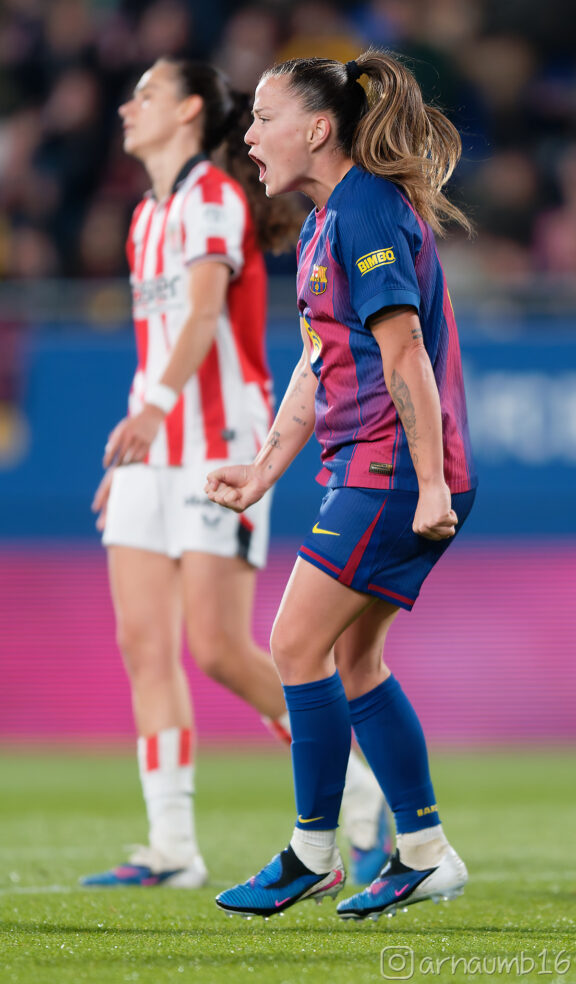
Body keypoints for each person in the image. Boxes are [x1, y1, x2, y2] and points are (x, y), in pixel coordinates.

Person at [82, 56, 391, 889]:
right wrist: (135, 442)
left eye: (141, 93)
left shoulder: (214, 199)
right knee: (143, 644)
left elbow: (209, 310)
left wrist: (155, 415)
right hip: (156, 442)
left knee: (218, 648)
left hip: (220, 435)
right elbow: (160, 343)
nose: (125, 106)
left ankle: (357, 798)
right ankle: (172, 848)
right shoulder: (147, 216)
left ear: (186, 110)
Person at [206, 50, 477, 921]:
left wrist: (431, 483)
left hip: (394, 469)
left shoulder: (360, 212)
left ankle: (312, 852)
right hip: (377, 466)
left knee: (294, 645)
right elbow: (319, 363)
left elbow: (405, 355)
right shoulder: (330, 220)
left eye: (263, 117)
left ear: (317, 129)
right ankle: (425, 853)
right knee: (354, 661)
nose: (249, 136)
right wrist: (262, 469)